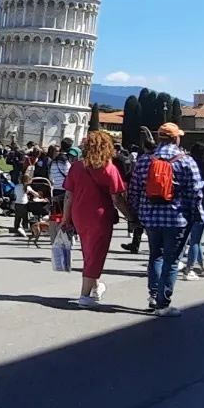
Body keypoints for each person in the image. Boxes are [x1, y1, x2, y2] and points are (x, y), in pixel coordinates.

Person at [126, 123, 204, 317]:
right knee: (172, 261)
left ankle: (153, 296)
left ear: (159, 138)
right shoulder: (186, 161)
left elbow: (134, 191)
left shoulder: (144, 160)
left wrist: (135, 215)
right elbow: (196, 192)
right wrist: (199, 216)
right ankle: (163, 303)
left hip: (150, 218)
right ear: (176, 138)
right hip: (177, 219)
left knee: (155, 256)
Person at [62, 131, 133, 308]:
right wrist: (131, 217)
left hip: (79, 214)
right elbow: (117, 198)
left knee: (88, 251)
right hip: (100, 215)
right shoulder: (109, 168)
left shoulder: (76, 167)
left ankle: (95, 287)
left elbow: (68, 196)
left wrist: (65, 218)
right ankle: (84, 295)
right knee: (97, 253)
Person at [182, 142, 204, 280]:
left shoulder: (189, 167)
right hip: (203, 205)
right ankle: (189, 269)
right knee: (196, 240)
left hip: (187, 204)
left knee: (193, 239)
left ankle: (203, 265)